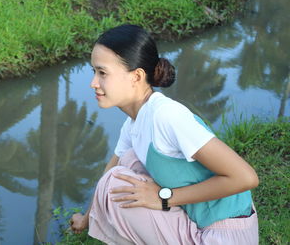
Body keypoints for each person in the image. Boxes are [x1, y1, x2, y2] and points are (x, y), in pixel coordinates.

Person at [69, 24, 259, 245]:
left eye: (102, 73)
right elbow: (111, 168)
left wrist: (163, 197)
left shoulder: (167, 115)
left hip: (224, 234)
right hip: (198, 225)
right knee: (126, 163)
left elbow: (246, 177)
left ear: (136, 76)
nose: (93, 83)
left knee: (114, 184)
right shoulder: (135, 122)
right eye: (94, 72)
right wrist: (86, 218)